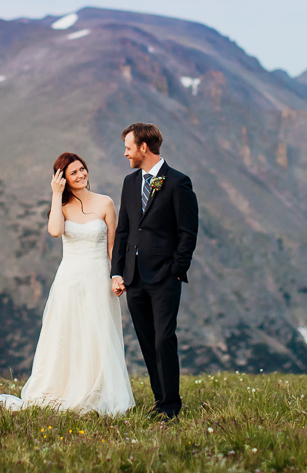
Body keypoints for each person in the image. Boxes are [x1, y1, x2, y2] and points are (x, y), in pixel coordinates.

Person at [0, 152, 135, 415]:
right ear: (63, 179)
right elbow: (55, 231)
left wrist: (117, 276)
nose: (81, 175)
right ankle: (63, 389)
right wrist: (56, 195)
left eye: (82, 169)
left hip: (97, 277)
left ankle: (97, 391)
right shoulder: (61, 207)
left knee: (98, 333)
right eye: (73, 173)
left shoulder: (105, 203)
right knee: (65, 334)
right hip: (70, 278)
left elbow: (114, 246)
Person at [111, 123, 199, 419]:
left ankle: (172, 406)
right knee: (148, 341)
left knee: (164, 338)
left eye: (128, 147)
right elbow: (124, 230)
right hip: (134, 277)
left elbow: (188, 232)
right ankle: (160, 401)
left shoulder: (178, 182)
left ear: (143, 148)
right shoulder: (130, 182)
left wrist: (176, 269)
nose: (125, 153)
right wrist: (117, 271)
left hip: (164, 277)